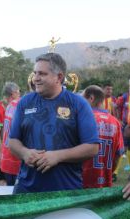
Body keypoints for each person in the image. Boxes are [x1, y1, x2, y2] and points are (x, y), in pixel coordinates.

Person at [9, 53, 99, 193]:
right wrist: (24, 153)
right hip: (26, 190)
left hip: (65, 191)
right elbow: (13, 141)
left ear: (59, 77)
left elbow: (92, 147)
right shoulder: (25, 102)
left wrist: (58, 156)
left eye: (42, 74)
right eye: (35, 73)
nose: (36, 78)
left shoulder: (78, 104)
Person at [82, 85, 124, 188]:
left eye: (82, 100)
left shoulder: (83, 119)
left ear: (91, 98)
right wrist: (109, 171)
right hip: (105, 181)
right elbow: (119, 154)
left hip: (82, 182)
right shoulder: (115, 122)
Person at [0, 82, 20, 186]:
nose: (19, 95)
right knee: (2, 182)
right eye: (18, 92)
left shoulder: (10, 106)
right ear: (13, 94)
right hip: (1, 151)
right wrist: (0, 152)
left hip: (7, 151)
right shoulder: (0, 109)